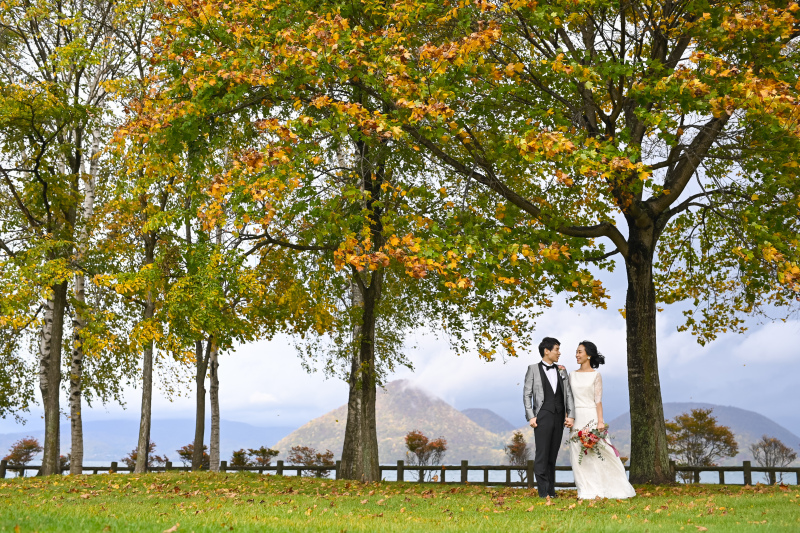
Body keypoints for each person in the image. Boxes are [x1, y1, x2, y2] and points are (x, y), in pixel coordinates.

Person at [568, 341, 636, 500]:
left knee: (600, 452)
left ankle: (611, 486)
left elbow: (598, 401)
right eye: (576, 352)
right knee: (578, 453)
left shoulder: (595, 375)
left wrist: (600, 422)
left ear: (588, 355)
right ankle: (585, 490)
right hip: (576, 418)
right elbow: (568, 399)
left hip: (591, 417)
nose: (576, 355)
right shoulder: (571, 375)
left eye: (580, 352)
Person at [523, 337, 575, 498]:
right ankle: (543, 491)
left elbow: (568, 393)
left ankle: (551, 491)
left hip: (559, 416)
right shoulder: (532, 369)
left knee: (553, 454)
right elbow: (526, 394)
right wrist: (531, 416)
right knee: (542, 455)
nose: (559, 353)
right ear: (547, 351)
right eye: (557, 349)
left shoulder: (561, 369)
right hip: (542, 415)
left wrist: (571, 415)